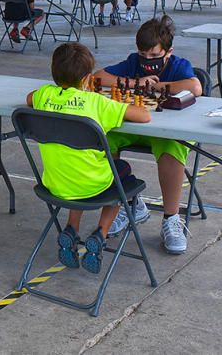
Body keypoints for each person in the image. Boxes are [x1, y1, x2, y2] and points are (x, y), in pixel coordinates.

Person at [25, 42, 151, 273]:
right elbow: (143, 116)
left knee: (77, 167)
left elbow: (29, 98)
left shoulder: (44, 95)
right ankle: (100, 234)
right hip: (94, 186)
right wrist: (119, 102)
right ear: (86, 79)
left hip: (54, 185)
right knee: (121, 172)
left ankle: (71, 228)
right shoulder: (97, 103)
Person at [92, 16, 203, 253]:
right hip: (136, 126)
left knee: (173, 146)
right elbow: (98, 77)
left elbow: (195, 87)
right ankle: (129, 201)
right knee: (101, 138)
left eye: (154, 56)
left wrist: (157, 86)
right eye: (143, 55)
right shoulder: (134, 63)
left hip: (166, 130)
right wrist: (135, 82)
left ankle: (171, 218)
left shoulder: (178, 65)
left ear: (168, 52)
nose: (147, 61)